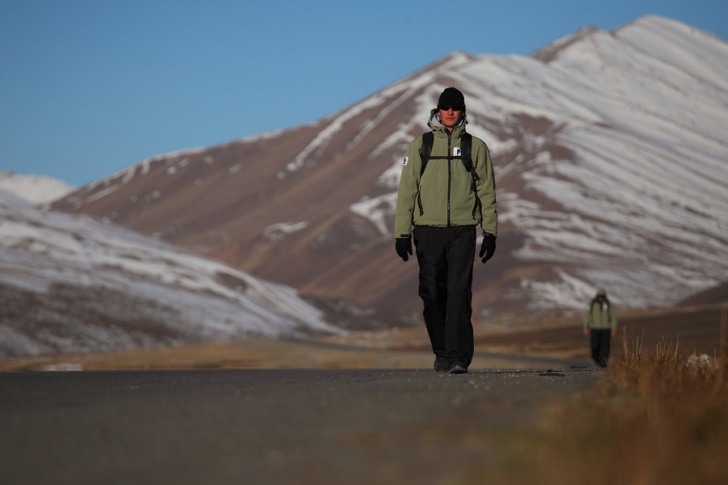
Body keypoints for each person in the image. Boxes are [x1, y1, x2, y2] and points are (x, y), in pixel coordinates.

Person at [394, 87, 498, 374]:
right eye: (445, 107)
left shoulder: (475, 147)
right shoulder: (420, 145)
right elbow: (407, 191)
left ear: (463, 111)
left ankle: (458, 356)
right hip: (427, 231)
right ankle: (441, 351)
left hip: (463, 231)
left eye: (456, 107)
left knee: (458, 293)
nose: (450, 112)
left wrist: (489, 232)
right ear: (437, 111)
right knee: (431, 293)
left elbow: (487, 192)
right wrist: (402, 233)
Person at [583, 288, 618, 367]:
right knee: (594, 345)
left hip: (606, 329)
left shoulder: (609, 304)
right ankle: (596, 360)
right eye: (599, 296)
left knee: (605, 346)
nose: (600, 298)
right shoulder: (592, 304)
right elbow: (587, 315)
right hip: (595, 328)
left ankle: (603, 362)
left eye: (602, 296)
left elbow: (613, 316)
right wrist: (585, 326)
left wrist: (613, 328)